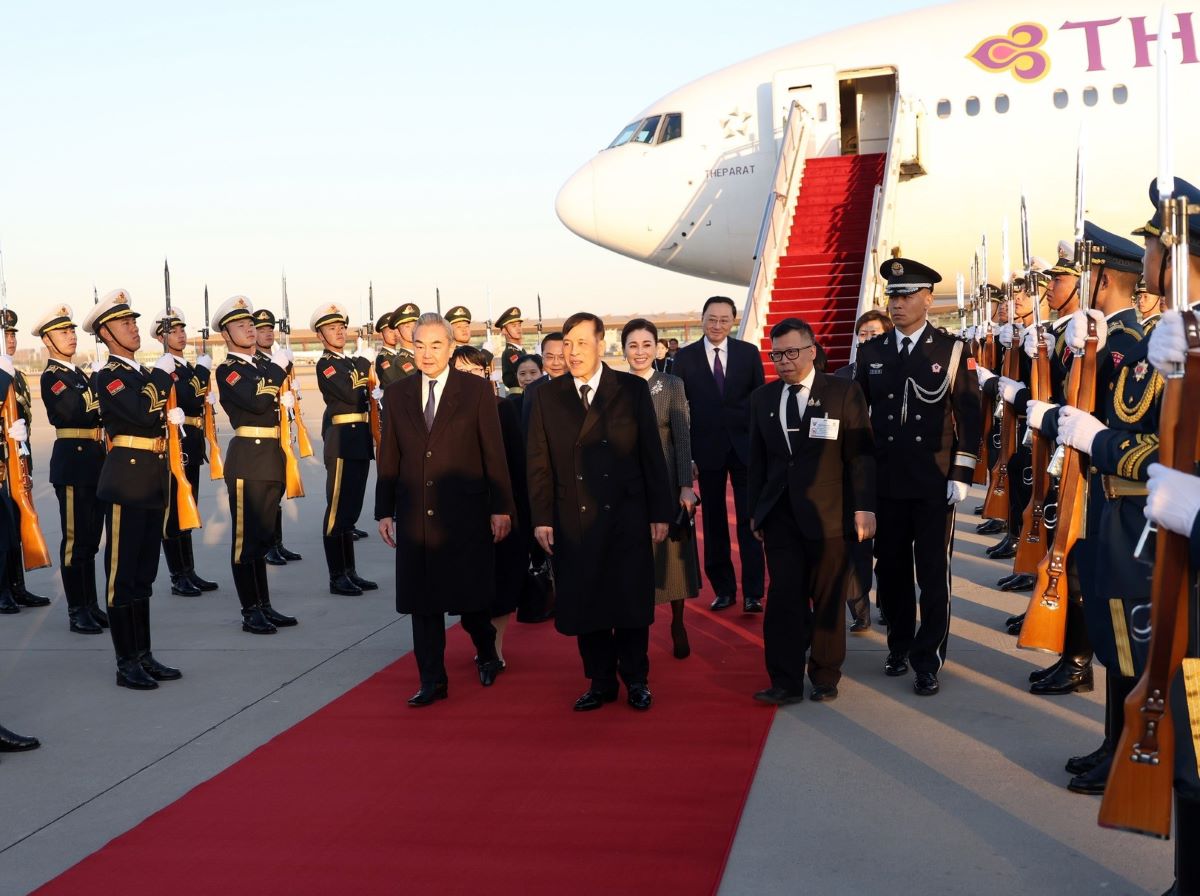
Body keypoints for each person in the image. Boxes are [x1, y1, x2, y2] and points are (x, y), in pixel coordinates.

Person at [526, 312, 673, 712]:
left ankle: (636, 679)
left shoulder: (629, 389)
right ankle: (600, 680)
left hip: (627, 514)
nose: (572, 353)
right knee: (585, 602)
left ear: (601, 344)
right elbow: (537, 461)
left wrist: (661, 511)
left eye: (582, 344)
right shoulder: (547, 395)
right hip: (573, 517)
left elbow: (650, 455)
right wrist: (541, 517)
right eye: (567, 344)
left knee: (628, 602)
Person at [854, 258, 982, 696]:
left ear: (928, 298)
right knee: (889, 571)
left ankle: (928, 660)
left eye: (906, 295)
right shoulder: (872, 352)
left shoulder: (951, 350)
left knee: (931, 573)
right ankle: (899, 645)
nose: (897, 304)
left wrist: (962, 470)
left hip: (932, 481)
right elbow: (858, 419)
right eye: (892, 295)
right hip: (887, 482)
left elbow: (968, 413)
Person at [375, 314, 515, 707]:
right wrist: (384, 510)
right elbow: (390, 455)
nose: (427, 353)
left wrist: (502, 506)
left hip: (465, 515)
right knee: (424, 604)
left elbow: (494, 453)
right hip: (417, 515)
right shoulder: (397, 393)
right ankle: (432, 680)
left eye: (436, 345)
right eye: (419, 345)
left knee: (471, 603)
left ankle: (487, 651)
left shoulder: (475, 391)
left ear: (451, 349)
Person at [749, 317, 875, 703]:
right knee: (783, 597)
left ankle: (824, 674)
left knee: (827, 595)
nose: (784, 361)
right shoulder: (763, 399)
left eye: (791, 352)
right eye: (777, 355)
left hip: (829, 514)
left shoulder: (842, 392)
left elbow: (861, 456)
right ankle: (784, 681)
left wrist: (865, 507)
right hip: (780, 515)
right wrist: (756, 511)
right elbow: (757, 461)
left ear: (812, 350)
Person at [83, 289, 182, 690]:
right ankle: (126, 663)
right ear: (106, 333)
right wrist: (161, 375)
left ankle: (144, 654)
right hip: (127, 479)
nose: (134, 328)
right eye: (125, 323)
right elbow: (141, 414)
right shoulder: (108, 376)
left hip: (152, 476)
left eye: (134, 321)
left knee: (143, 575)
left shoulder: (139, 374)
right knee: (122, 576)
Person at [670, 296, 766, 613]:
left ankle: (753, 592)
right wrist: (689, 457)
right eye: (712, 318)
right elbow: (680, 412)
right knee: (713, 524)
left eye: (725, 320)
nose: (717, 325)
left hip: (744, 448)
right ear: (702, 318)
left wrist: (759, 446)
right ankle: (723, 589)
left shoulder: (748, 354)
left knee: (750, 521)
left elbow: (758, 403)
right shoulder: (684, 358)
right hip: (706, 450)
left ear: (733, 322)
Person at [212, 295, 300, 635]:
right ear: (225, 334)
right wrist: (279, 368)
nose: (249, 329)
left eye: (250, 324)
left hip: (272, 457)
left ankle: (264, 605)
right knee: (246, 542)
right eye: (240, 325)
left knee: (263, 538)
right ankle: (250, 611)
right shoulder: (229, 371)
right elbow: (257, 400)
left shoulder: (261, 367)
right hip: (248, 458)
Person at [622, 319, 699, 659]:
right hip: (628, 487)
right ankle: (637, 626)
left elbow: (682, 438)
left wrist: (686, 486)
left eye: (646, 345)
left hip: (667, 481)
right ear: (623, 349)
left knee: (673, 558)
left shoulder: (671, 385)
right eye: (633, 345)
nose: (640, 352)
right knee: (634, 558)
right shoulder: (617, 387)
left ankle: (678, 620)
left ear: (659, 348)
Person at [35, 304, 108, 632]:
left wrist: (95, 383)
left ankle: (91, 605)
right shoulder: (53, 377)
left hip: (94, 461)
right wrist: (100, 389)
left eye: (72, 330)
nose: (71, 336)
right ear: (48, 340)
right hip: (73, 463)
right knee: (75, 542)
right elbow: (75, 411)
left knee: (91, 542)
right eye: (63, 332)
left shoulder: (78, 375)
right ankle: (77, 610)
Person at [453, 344, 527, 664]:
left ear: (487, 373)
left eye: (473, 371)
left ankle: (494, 647)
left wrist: (515, 511)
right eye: (460, 372)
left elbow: (516, 463)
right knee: (466, 589)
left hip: (498, 508)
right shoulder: (441, 414)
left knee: (500, 582)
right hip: (459, 514)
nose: (466, 378)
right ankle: (480, 636)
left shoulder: (502, 408)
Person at [311, 303, 377, 595]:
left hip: (359, 438)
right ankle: (336, 575)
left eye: (341, 327)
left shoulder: (349, 362)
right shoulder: (327, 364)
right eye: (331, 328)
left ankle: (350, 571)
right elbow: (350, 392)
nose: (339, 332)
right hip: (341, 440)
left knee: (351, 512)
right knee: (337, 512)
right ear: (320, 335)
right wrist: (365, 365)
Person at [834, 308, 893, 631]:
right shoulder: (841, 376)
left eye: (875, 334)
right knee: (855, 545)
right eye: (864, 334)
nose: (868, 339)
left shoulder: (897, 373)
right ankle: (860, 610)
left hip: (887, 470)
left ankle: (887, 601)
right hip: (852, 472)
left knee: (888, 547)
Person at [154, 308, 219, 597]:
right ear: (160, 337)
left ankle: (189, 571)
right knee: (173, 514)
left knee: (188, 507)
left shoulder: (188, 368)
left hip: (192, 441)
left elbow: (198, 401)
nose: (181, 334)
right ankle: (177, 575)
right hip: (175, 447)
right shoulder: (165, 367)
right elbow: (190, 398)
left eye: (182, 329)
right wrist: (205, 371)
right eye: (173, 330)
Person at [0, 311, 49, 612]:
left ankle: (18, 586)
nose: (12, 340)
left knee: (18, 522)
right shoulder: (4, 373)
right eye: (6, 335)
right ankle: (2, 589)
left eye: (13, 335)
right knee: (2, 528)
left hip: (17, 458)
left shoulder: (13, 375)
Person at [253, 309, 303, 566]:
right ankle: (268, 545)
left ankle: (277, 543)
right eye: (261, 329)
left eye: (269, 328)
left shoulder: (278, 358)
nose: (267, 333)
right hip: (265, 433)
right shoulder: (257, 362)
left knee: (279, 489)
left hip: (281, 429)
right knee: (269, 493)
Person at [521, 331, 566, 433]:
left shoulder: (581, 385)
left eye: (561, 357)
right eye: (550, 357)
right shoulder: (533, 390)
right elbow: (528, 430)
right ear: (542, 358)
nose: (556, 362)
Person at [390, 303, 420, 382]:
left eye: (415, 325)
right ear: (397, 332)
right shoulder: (400, 361)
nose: (413, 329)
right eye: (407, 326)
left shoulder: (421, 354)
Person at [495, 306, 524, 389]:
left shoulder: (520, 350)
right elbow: (523, 368)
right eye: (514, 326)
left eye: (519, 325)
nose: (518, 329)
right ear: (504, 330)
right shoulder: (510, 352)